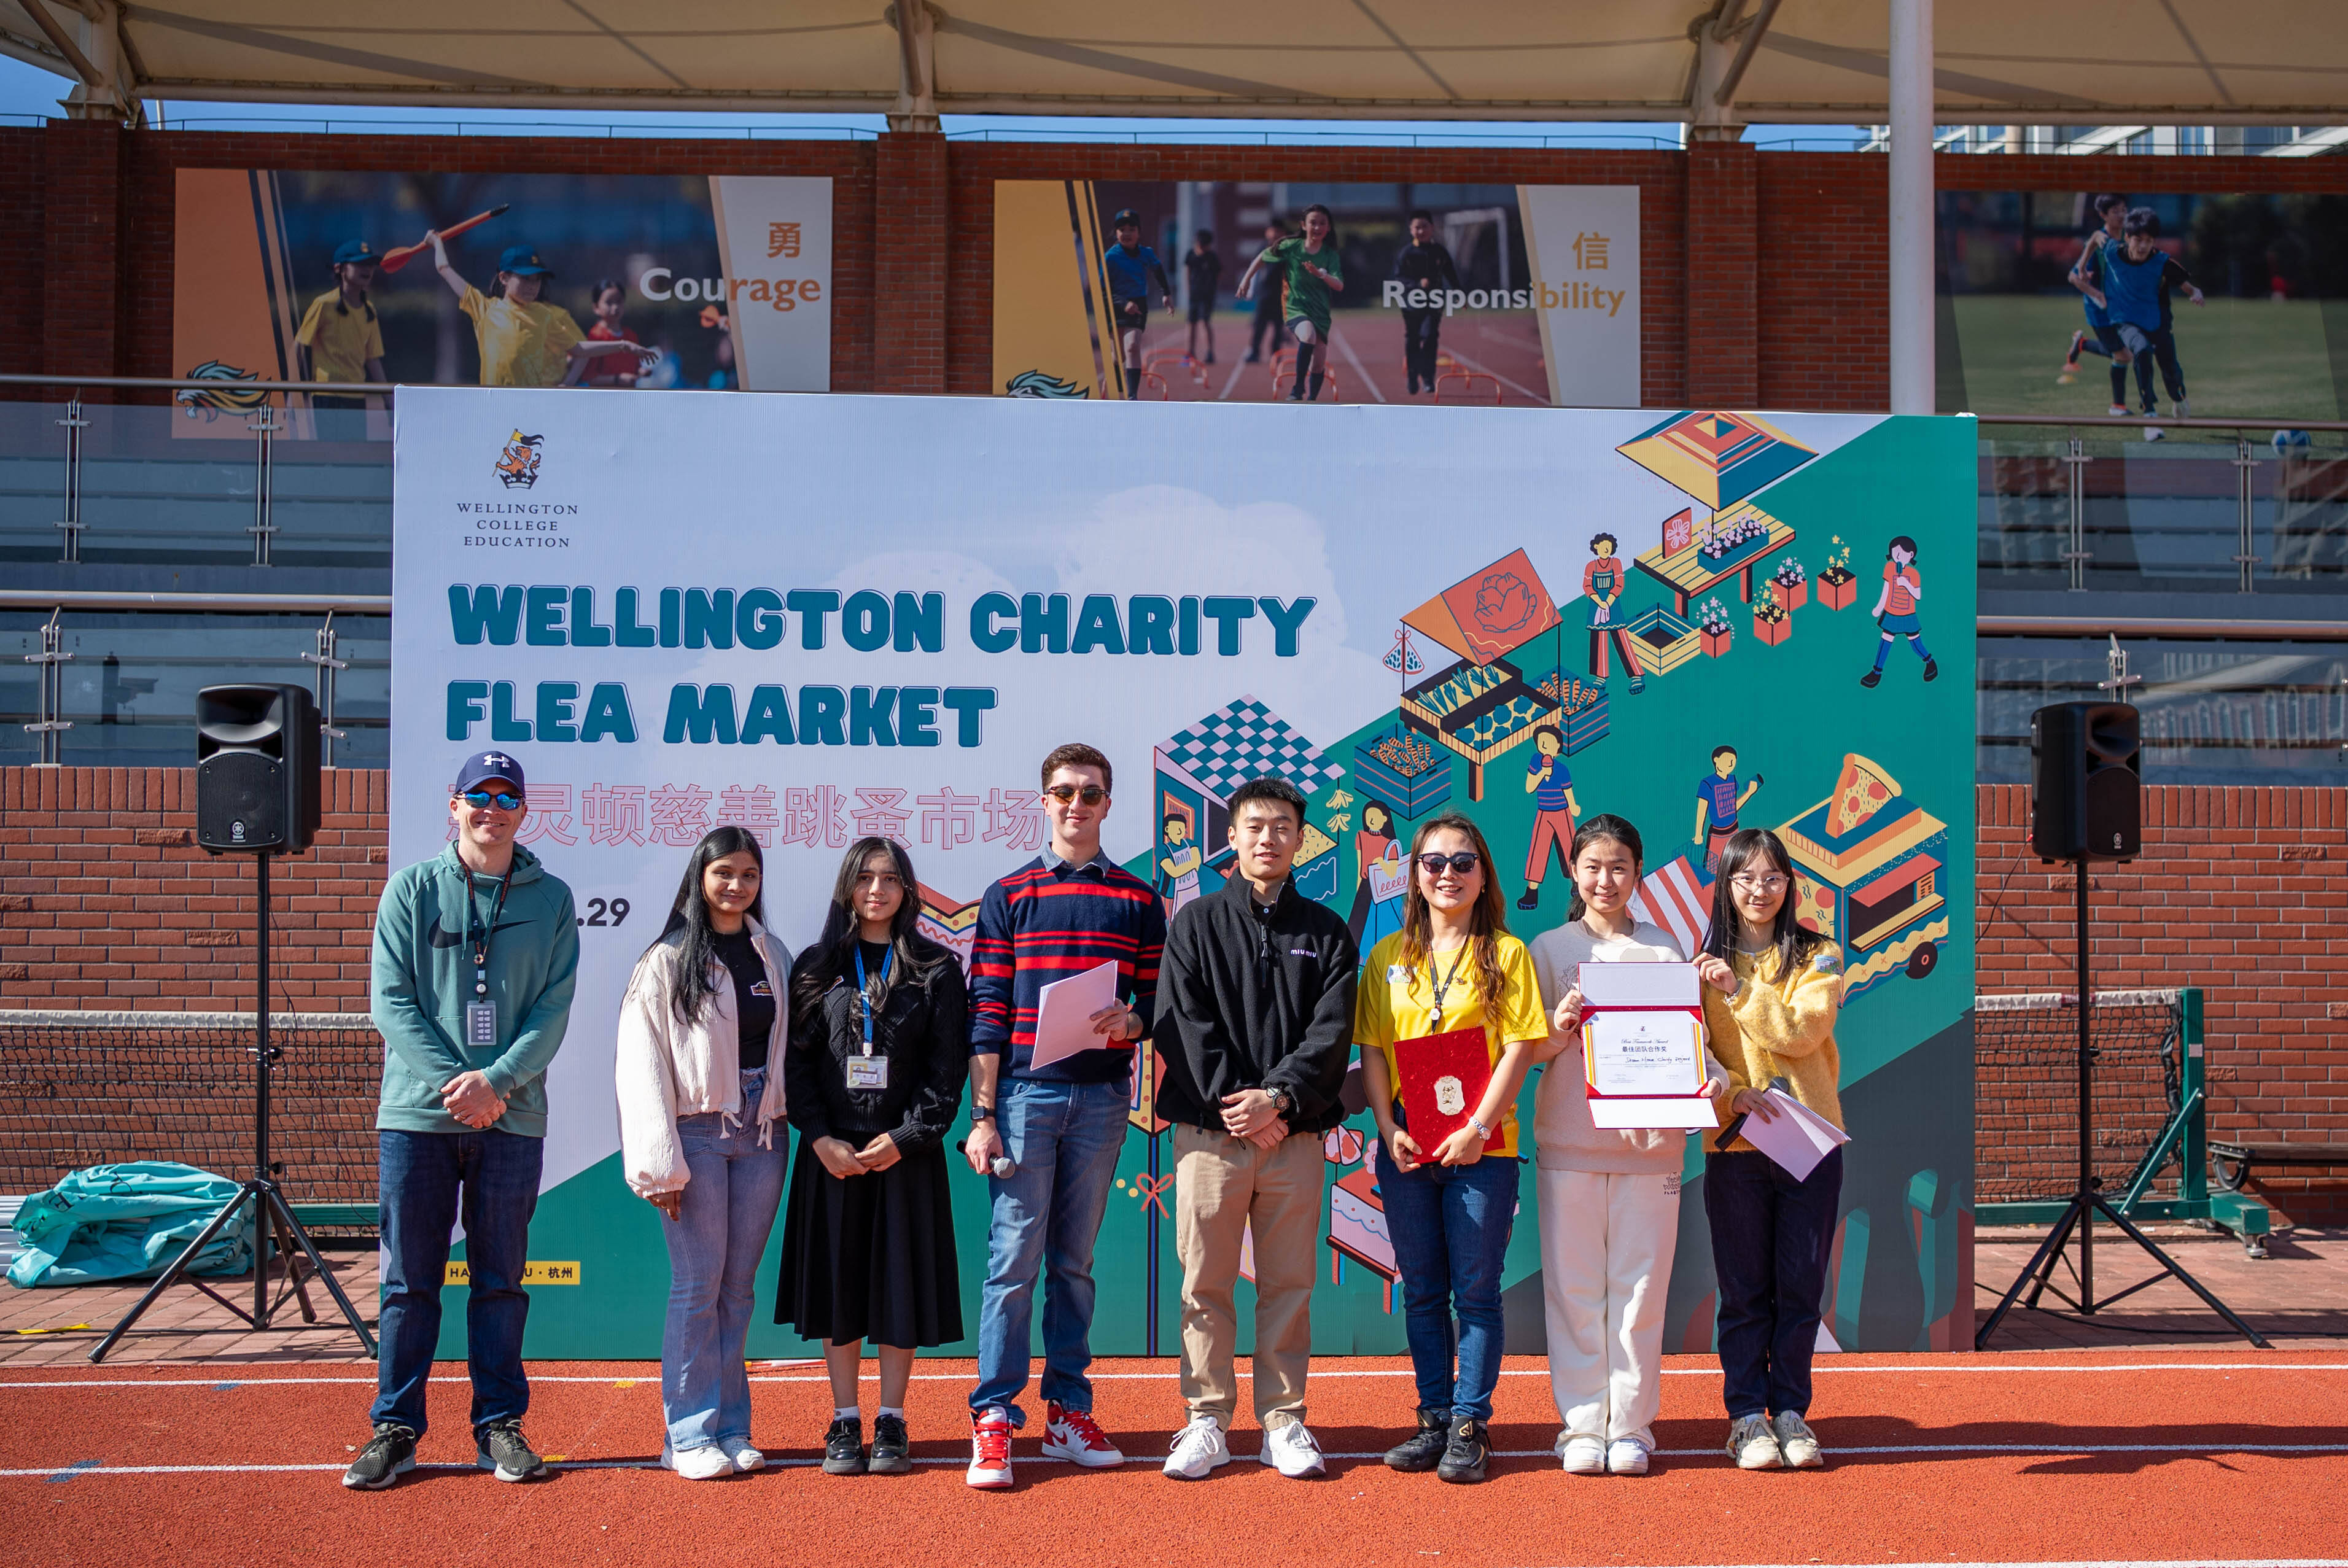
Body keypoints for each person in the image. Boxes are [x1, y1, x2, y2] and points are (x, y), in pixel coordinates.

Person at [344, 751, 578, 1491]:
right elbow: (390, 1002)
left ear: (523, 811)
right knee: (408, 1282)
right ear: (454, 805)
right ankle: (395, 1428)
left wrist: (496, 1084)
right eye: (479, 795)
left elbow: (552, 1010)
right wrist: (459, 1085)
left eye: (507, 798)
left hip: (511, 1117)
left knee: (500, 1282)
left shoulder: (552, 898)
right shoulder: (412, 889)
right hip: (419, 1119)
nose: (492, 809)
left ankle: (498, 1426)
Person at [962, 742, 1167, 1489]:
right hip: (1023, 1097)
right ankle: (993, 1415)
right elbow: (986, 1010)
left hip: (1103, 1098)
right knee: (1012, 1262)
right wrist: (982, 1114)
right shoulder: (1008, 894)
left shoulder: (1139, 900)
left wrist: (1134, 1022)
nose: (1076, 804)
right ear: (1043, 801)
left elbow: (1159, 1001)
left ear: (1108, 803)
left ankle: (1066, 1412)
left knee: (1073, 1265)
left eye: (1089, 792)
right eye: (1063, 792)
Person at [1153, 776, 1358, 1482]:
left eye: (1280, 827)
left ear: (1299, 838)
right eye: (1254, 826)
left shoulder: (1326, 931)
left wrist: (1277, 1100)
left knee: (1288, 1285)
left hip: (1292, 1138)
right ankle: (1205, 1418)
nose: (1267, 838)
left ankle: (1282, 1418)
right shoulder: (1194, 922)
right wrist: (1237, 1106)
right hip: (1210, 1139)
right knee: (1203, 1285)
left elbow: (1331, 1034)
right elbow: (1181, 1023)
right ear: (1231, 838)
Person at [1528, 815, 1730, 1477]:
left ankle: (1633, 1428)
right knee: (1574, 1291)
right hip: (1570, 1146)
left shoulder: (1666, 950)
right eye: (1592, 866)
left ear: (1637, 872)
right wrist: (1557, 1026)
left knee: (1641, 1293)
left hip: (1652, 1153)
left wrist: (1712, 1079)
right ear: (1572, 871)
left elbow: (1690, 1042)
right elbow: (1528, 1050)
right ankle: (1582, 1426)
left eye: (1618, 867)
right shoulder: (1548, 949)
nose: (1605, 880)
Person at [1355, 811, 1546, 1485]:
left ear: (1483, 875)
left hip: (1482, 1147)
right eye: (1433, 862)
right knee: (1423, 1293)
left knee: (1477, 1292)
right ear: (1414, 875)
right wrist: (1387, 1127)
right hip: (1408, 1143)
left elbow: (1520, 1048)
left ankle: (1469, 1424)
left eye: (1463, 862)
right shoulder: (1387, 956)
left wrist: (1477, 1129)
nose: (1447, 874)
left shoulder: (1507, 954)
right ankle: (1434, 1417)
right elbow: (1373, 1049)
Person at [781, 837, 970, 1478]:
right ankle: (844, 1417)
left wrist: (907, 1137)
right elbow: (796, 1067)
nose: (876, 891)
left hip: (904, 1158)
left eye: (889, 879)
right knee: (839, 1289)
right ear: (847, 887)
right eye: (864, 878)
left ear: (906, 890)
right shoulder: (817, 965)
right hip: (832, 1156)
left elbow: (946, 1074)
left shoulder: (936, 968)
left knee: (898, 1287)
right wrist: (818, 1137)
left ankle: (891, 1416)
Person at [615, 826, 792, 1480]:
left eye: (749, 874)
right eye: (724, 873)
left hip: (763, 1132)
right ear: (700, 877)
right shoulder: (666, 959)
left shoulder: (772, 951)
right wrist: (658, 1161)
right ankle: (686, 1435)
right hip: (695, 1132)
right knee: (698, 1287)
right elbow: (640, 1063)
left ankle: (731, 1428)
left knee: (737, 1290)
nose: (736, 885)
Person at [1696, 828, 1848, 1473]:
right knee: (1742, 1291)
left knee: (1800, 1287)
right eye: (1746, 878)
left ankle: (1789, 1410)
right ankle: (1746, 1417)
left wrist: (1738, 989)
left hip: (1808, 1144)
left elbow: (1802, 1031)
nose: (1759, 890)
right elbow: (1698, 1055)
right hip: (1734, 1147)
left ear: (1789, 885)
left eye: (1772, 878)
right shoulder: (1701, 966)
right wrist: (1732, 1095)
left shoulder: (1820, 954)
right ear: (1727, 885)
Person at [427, 235, 659, 389]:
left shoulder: (544, 315)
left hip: (532, 402)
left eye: (537, 280)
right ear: (504, 278)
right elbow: (444, 268)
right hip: (493, 403)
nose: (533, 286)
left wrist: (623, 346)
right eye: (526, 278)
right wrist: (437, 243)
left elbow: (578, 349)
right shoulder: (485, 308)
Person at [2102, 208, 2204, 438]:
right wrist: (2083, 267)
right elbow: (2097, 242)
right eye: (2138, 240)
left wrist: (2196, 293)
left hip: (2157, 321)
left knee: (2171, 372)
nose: (2143, 246)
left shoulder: (2161, 261)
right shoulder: (2112, 252)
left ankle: (2179, 398)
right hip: (2126, 321)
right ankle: (2150, 415)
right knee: (2141, 349)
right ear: (2127, 237)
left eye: (2149, 241)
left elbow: (2188, 286)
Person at [1238, 204, 1344, 402]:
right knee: (1308, 336)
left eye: (1322, 223)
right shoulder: (1291, 247)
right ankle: (1297, 389)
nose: (1318, 227)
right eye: (1313, 223)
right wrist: (1246, 281)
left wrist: (1322, 275)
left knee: (1318, 363)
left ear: (1329, 227)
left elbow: (1339, 285)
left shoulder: (1330, 255)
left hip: (1320, 311)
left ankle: (1312, 400)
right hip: (1295, 307)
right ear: (1304, 225)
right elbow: (1262, 256)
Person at [2059, 194, 2134, 414]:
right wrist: (2098, 295)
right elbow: (2073, 277)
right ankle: (2117, 406)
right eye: (2116, 212)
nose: (2122, 215)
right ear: (2103, 215)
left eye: (2124, 210)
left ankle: (2082, 344)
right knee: (2123, 355)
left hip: (2119, 308)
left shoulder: (2125, 239)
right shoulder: (2099, 243)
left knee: (2127, 350)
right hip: (2100, 312)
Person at [295, 239, 387, 410]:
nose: (367, 269)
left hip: (357, 395)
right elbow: (299, 347)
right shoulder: (324, 304)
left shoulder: (369, 310)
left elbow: (373, 358)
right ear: (339, 269)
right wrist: (291, 395)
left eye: (370, 264)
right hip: (327, 395)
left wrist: (388, 399)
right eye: (359, 264)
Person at [1103, 208, 1174, 400]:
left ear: (1139, 232)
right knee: (1118, 356)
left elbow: (1158, 270)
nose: (1127, 234)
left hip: (1138, 303)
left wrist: (1166, 294)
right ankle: (1117, 386)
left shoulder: (1146, 253)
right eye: (1122, 230)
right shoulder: (1110, 257)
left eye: (1131, 229)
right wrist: (1123, 303)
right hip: (1115, 305)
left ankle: (1132, 396)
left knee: (1133, 346)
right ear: (1116, 233)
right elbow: (1102, 289)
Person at [1393, 210, 1461, 395]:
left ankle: (1428, 379)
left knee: (1430, 336)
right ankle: (1412, 377)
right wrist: (1416, 284)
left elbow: (1451, 275)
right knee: (1413, 339)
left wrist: (1459, 294)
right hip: (1411, 303)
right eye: (1417, 228)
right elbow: (1398, 278)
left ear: (1432, 228)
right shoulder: (1406, 253)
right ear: (1411, 230)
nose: (1421, 231)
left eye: (1425, 227)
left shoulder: (1439, 251)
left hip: (1434, 302)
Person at [1860, 535, 1937, 688]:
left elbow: (1918, 595)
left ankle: (1930, 662)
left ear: (1911, 555)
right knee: (1886, 640)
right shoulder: (1890, 568)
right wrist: (1879, 607)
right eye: (1895, 554)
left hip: (1907, 614)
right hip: (1891, 612)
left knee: (1915, 641)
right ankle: (1876, 672)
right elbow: (1886, 589)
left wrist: (1906, 584)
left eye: (1901, 554)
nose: (1898, 557)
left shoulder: (1914, 574)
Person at [1517, 724, 1579, 911]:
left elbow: (1568, 792)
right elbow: (1529, 787)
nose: (1544, 744)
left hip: (1562, 812)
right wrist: (1542, 772)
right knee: (1538, 849)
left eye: (1549, 742)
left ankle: (1578, 883)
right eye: (1541, 741)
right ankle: (1531, 892)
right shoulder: (1536, 761)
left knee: (1570, 847)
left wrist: (1573, 806)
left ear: (1558, 748)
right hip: (1543, 812)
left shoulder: (1562, 770)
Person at [1584, 534, 1647, 694]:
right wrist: (1600, 602)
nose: (1607, 549)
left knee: (1622, 639)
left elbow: (1619, 584)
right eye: (1604, 546)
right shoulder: (1591, 566)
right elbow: (1587, 587)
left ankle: (1636, 675)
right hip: (1597, 606)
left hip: (1613, 606)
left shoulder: (1616, 563)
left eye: (1609, 546)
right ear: (1596, 547)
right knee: (1599, 641)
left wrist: (1608, 602)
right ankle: (1600, 677)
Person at [1348, 798, 1406, 954]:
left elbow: (1392, 872)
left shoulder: (1390, 843)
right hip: (1366, 885)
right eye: (1369, 816)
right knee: (1358, 927)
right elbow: (1360, 865)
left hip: (1383, 889)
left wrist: (1381, 862)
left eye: (1375, 816)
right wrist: (1359, 889)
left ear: (1385, 819)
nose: (1372, 820)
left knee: (1383, 928)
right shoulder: (1361, 836)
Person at [1692, 745, 1762, 873]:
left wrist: (1749, 793)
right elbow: (1702, 810)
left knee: (1732, 865)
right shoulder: (1707, 783)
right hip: (1718, 834)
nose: (1731, 763)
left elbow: (1732, 808)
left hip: (1734, 829)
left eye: (1733, 761)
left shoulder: (1732, 780)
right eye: (1727, 760)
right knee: (1713, 869)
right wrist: (1698, 834)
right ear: (1716, 760)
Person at [580, 278, 645, 388]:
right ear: (596, 308)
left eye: (619, 301)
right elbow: (590, 378)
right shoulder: (596, 336)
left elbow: (634, 367)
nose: (615, 307)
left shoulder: (631, 335)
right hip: (605, 397)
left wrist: (641, 371)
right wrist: (617, 379)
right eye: (609, 302)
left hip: (629, 395)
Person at [1243, 219, 1288, 366]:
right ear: (1267, 232)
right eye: (1272, 230)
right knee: (1259, 326)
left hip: (1280, 295)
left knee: (1278, 328)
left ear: (1283, 233)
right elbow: (1254, 269)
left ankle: (1276, 354)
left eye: (1278, 231)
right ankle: (1254, 352)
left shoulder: (1286, 250)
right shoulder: (1262, 248)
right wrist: (1250, 290)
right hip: (1264, 293)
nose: (1274, 234)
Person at [1183, 229, 1223, 365]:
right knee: (1191, 324)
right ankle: (1189, 353)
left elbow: (1219, 274)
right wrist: (1188, 291)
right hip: (1194, 295)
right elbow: (1187, 272)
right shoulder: (1190, 254)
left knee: (1204, 323)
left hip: (1207, 296)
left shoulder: (1212, 257)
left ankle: (1209, 353)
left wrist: (1212, 289)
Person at [1156, 811, 1203, 919]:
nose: (1179, 830)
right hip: (1177, 891)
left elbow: (1197, 862)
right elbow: (1174, 872)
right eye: (1175, 827)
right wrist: (1190, 865)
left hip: (1194, 886)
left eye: (1181, 827)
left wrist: (1183, 868)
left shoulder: (1190, 843)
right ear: (1167, 829)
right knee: (1179, 918)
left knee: (1197, 914)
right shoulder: (1163, 849)